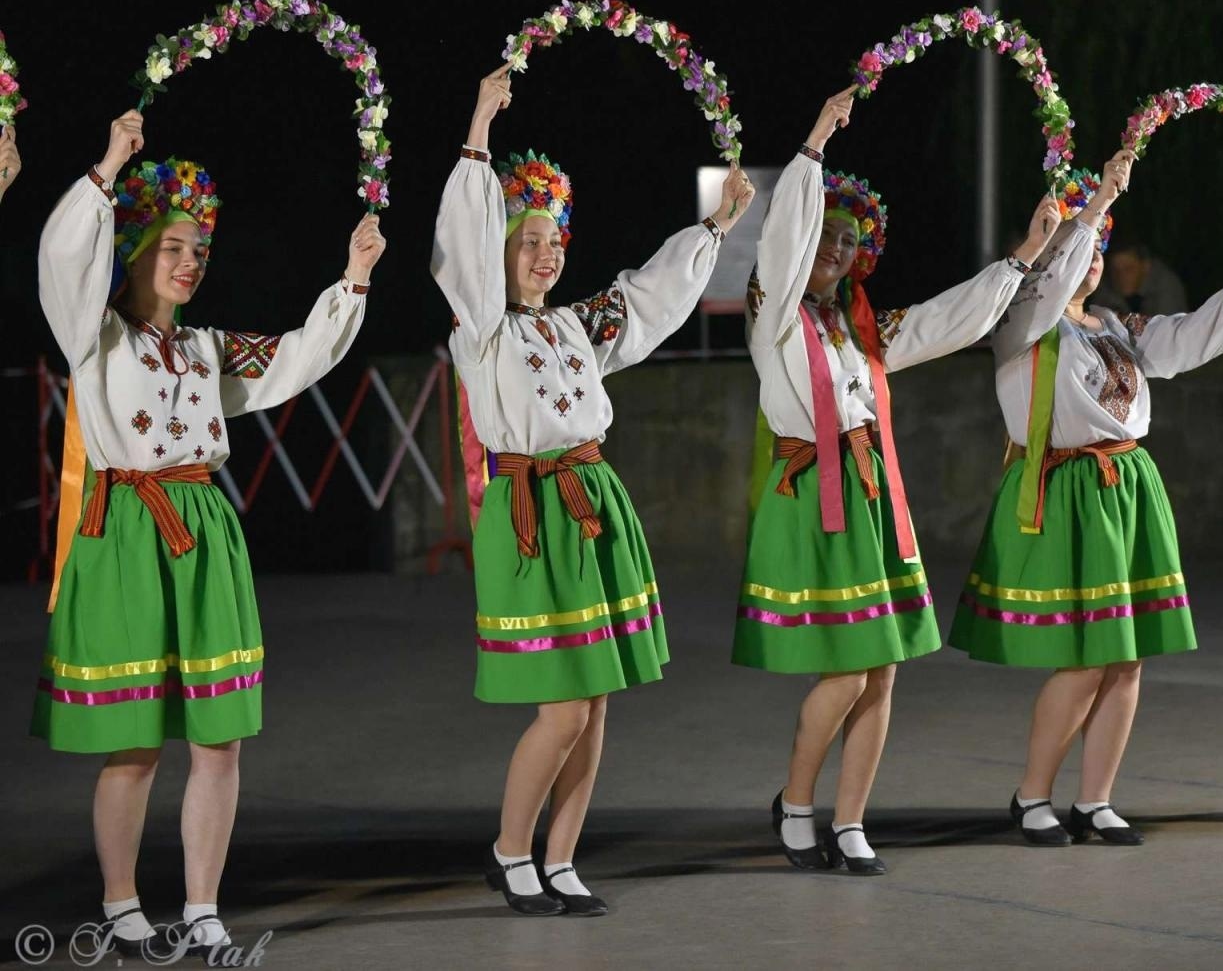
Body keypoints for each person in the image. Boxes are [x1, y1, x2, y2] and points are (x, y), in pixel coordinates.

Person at [35, 109, 381, 954]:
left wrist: (354, 278)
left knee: (220, 742)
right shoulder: (96, 337)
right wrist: (111, 163)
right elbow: (63, 261)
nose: (190, 262)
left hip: (203, 537)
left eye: (200, 251)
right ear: (138, 249)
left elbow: (299, 356)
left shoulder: (207, 351)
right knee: (134, 748)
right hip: (124, 532)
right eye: (174, 247)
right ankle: (121, 909)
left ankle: (201, 911)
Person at [433, 65, 754, 916]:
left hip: (593, 504)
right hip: (532, 510)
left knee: (596, 699)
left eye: (554, 240)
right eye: (527, 239)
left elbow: (650, 296)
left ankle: (563, 857)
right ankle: (510, 851)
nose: (545, 254)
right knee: (565, 705)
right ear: (498, 249)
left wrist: (714, 228)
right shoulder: (481, 328)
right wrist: (478, 129)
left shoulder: (576, 326)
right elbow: (457, 251)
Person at [735, 88, 1062, 875]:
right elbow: (780, 242)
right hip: (816, 499)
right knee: (849, 666)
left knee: (882, 665)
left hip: (871, 495)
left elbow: (955, 318)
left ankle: (849, 821)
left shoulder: (861, 328)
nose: (837, 252)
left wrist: (1025, 253)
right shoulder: (773, 310)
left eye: (850, 243)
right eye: (827, 236)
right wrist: (814, 141)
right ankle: (797, 802)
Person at [949, 159, 1223, 846]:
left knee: (1126, 656)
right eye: (1083, 243)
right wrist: (1097, 198)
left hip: (1127, 486)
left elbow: (1185, 341)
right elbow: (1049, 289)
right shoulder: (1022, 321)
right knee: (1084, 657)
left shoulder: (1111, 325)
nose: (1094, 256)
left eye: (1102, 245)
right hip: (1068, 488)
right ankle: (1032, 794)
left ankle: (1096, 800)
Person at [1091, 240, 1188, 316]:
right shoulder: (1106, 284)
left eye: (1128, 269)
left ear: (1145, 266)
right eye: (1115, 270)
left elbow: (1164, 333)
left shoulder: (1166, 285)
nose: (1121, 276)